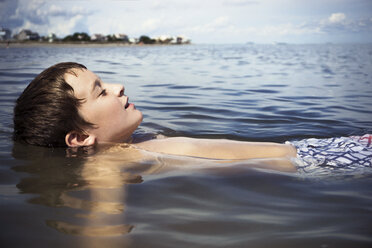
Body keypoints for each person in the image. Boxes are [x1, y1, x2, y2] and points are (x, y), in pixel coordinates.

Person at [13, 62, 371, 173]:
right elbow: (103, 225)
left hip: (317, 149)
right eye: (101, 91)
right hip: (317, 164)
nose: (119, 86)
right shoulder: (108, 167)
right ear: (78, 137)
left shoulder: (134, 142)